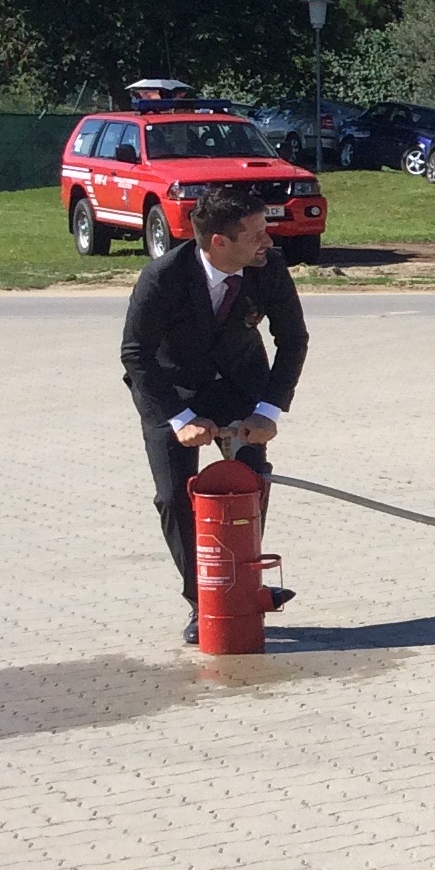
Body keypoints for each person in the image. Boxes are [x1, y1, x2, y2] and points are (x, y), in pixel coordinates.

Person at [120, 182, 306, 643]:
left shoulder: (269, 267)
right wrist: (180, 419)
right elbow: (135, 354)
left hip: (241, 386)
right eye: (256, 234)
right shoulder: (163, 277)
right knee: (173, 497)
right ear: (219, 242)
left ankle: (243, 583)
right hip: (171, 391)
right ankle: (203, 601)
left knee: (247, 487)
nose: (268, 241)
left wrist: (267, 412)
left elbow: (293, 341)